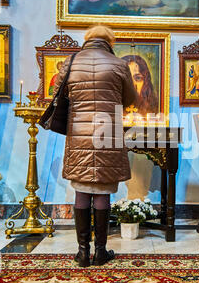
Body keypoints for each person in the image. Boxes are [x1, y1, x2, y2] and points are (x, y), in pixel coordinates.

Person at [53, 25, 137, 267]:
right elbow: (130, 98)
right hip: (107, 130)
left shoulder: (71, 62)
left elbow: (58, 94)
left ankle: (82, 253)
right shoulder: (119, 64)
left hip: (79, 132)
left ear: (87, 40)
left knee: (82, 189)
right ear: (110, 41)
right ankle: (100, 251)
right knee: (102, 189)